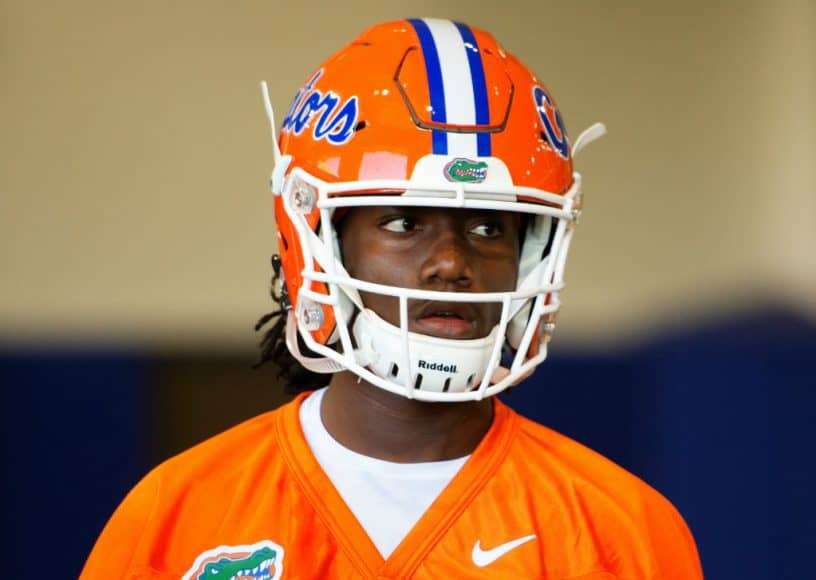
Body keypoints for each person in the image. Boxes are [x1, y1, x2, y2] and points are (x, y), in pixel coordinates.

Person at [82, 19, 703, 579]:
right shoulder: (177, 515)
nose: (451, 264)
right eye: (404, 223)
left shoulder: (621, 532)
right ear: (321, 242)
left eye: (488, 228)